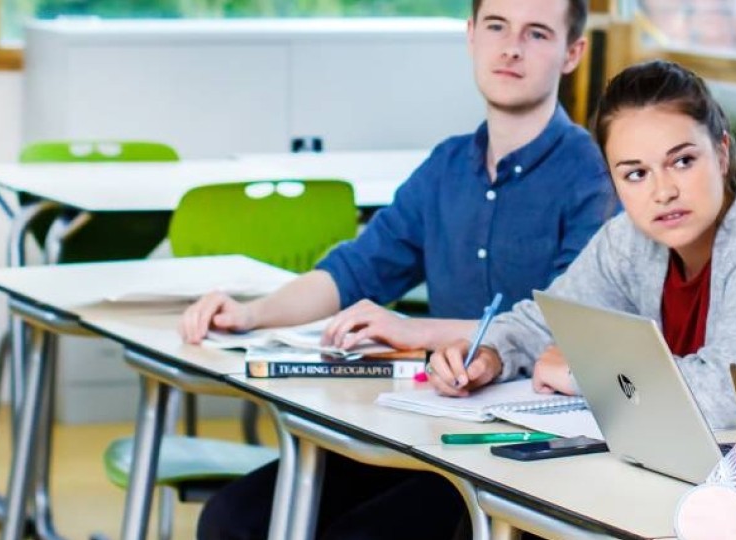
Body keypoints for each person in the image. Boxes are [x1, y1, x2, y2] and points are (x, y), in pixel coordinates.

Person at [194, 0, 610, 538]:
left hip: (523, 448)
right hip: (430, 421)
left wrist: (413, 330)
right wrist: (252, 315)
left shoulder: (594, 175)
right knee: (233, 519)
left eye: (535, 34)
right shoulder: (447, 165)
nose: (511, 48)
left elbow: (563, 328)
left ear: (572, 52)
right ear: (471, 35)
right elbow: (355, 271)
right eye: (496, 27)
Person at [426, 59, 736, 430]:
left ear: (720, 153)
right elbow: (544, 323)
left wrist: (584, 375)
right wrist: (486, 355)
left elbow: (732, 400)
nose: (662, 191)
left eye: (681, 161)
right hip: (716, 478)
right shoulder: (631, 239)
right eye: (635, 173)